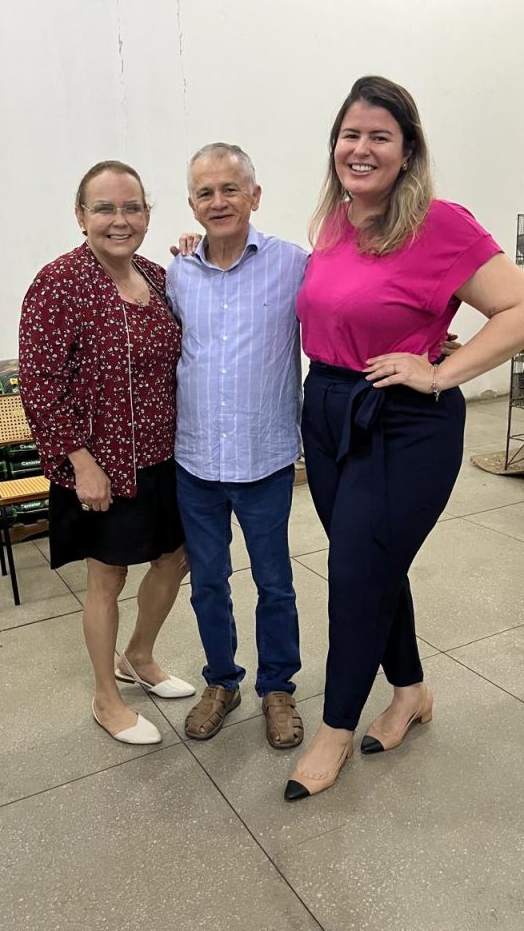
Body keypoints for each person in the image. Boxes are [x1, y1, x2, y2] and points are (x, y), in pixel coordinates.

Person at [286, 75, 524, 800]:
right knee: (374, 563)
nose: (360, 149)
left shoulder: (442, 224)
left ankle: (334, 728)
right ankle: (412, 691)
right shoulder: (335, 222)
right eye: (350, 135)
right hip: (329, 408)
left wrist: (442, 371)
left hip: (403, 421)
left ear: (408, 149)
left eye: (379, 137)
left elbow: (517, 308)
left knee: (357, 571)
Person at [19, 160, 194, 746]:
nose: (120, 220)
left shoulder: (159, 277)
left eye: (132, 207)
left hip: (166, 457)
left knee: (175, 559)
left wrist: (196, 253)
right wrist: (79, 461)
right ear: (81, 216)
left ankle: (138, 656)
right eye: (105, 208)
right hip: (102, 464)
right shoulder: (59, 283)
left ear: (146, 214)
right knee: (107, 576)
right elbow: (39, 383)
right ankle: (105, 696)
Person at [166, 143, 309, 749]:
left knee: (275, 583)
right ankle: (221, 681)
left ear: (255, 195)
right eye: (206, 192)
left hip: (264, 458)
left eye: (231, 189)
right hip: (196, 461)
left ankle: (277, 688)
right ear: (192, 203)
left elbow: (349, 310)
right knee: (208, 584)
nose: (218, 201)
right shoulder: (177, 272)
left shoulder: (294, 264)